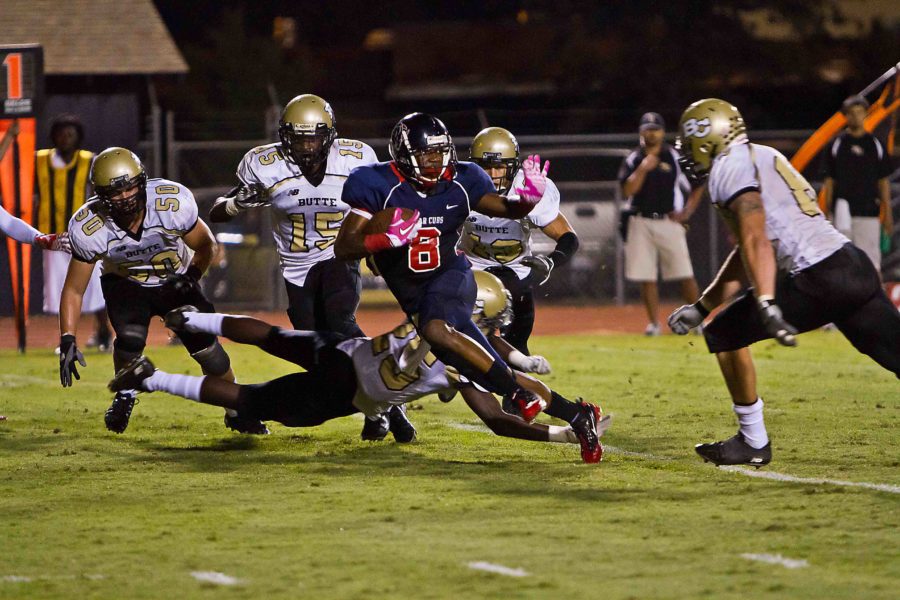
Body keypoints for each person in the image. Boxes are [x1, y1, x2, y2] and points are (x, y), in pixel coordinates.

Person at [108, 270, 606, 463]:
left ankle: (195, 316)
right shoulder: (470, 364)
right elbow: (499, 420)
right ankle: (151, 379)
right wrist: (561, 433)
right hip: (343, 396)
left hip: (344, 350)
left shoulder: (432, 313)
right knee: (250, 399)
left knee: (272, 335)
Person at [668, 98, 900, 467]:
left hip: (818, 276)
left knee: (724, 333)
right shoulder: (763, 154)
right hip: (852, 265)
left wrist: (766, 299)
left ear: (708, 137)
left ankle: (753, 440)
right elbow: (750, 248)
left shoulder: (729, 167)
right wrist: (702, 307)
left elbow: (756, 237)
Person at [335, 113, 570, 425]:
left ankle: (518, 394)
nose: (435, 161)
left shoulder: (463, 180)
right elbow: (344, 247)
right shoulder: (377, 184)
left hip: (463, 279)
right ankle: (572, 412)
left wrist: (526, 201)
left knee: (456, 342)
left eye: (440, 152)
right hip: (424, 287)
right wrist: (380, 241)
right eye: (427, 154)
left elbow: (508, 209)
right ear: (405, 156)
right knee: (470, 356)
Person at [208, 94, 407, 441]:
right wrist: (238, 203)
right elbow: (217, 212)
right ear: (285, 136)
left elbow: (381, 207)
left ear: (329, 135)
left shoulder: (354, 159)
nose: (306, 145)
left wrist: (376, 248)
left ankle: (388, 404)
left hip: (339, 255)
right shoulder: (265, 164)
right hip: (296, 268)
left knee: (341, 322)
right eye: (298, 137)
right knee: (316, 351)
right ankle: (372, 400)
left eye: (313, 136)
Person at [58, 147, 267, 435]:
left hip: (176, 280)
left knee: (211, 355)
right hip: (126, 283)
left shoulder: (171, 203)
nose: (125, 197)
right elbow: (74, 289)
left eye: (130, 188)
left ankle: (236, 411)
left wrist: (192, 277)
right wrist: (68, 337)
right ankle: (126, 393)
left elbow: (206, 245)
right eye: (115, 192)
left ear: (142, 182)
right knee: (130, 339)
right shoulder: (89, 226)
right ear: (101, 196)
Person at [462, 126, 579, 355]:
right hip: (470, 271)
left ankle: (517, 384)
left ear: (513, 166)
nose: (493, 174)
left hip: (515, 273)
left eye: (499, 166)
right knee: (466, 345)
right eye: (486, 166)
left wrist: (551, 262)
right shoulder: (462, 185)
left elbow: (568, 237)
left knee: (517, 347)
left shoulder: (528, 189)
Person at [618, 112, 702, 335]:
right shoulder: (634, 159)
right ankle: (654, 324)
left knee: (685, 274)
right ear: (640, 132)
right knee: (646, 277)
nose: (650, 133)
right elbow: (627, 191)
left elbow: (698, 182)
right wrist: (643, 168)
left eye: (655, 129)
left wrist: (687, 211)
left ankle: (699, 320)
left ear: (663, 132)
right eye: (646, 129)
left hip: (668, 220)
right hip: (640, 221)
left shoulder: (673, 156)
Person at [35, 114, 111, 350]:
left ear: (78, 136)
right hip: (54, 236)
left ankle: (104, 334)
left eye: (70, 133)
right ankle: (68, 339)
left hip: (85, 234)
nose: (65, 138)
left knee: (95, 287)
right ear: (53, 136)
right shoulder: (39, 159)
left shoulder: (89, 160)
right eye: (61, 133)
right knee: (62, 290)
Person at [822, 95, 894, 275]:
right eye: (851, 113)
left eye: (860, 112)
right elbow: (829, 181)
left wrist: (888, 213)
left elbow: (883, 181)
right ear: (845, 116)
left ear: (866, 114)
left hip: (869, 210)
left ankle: (874, 300)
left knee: (871, 261)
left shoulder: (875, 144)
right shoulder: (837, 144)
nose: (855, 117)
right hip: (842, 210)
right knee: (843, 259)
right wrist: (825, 212)